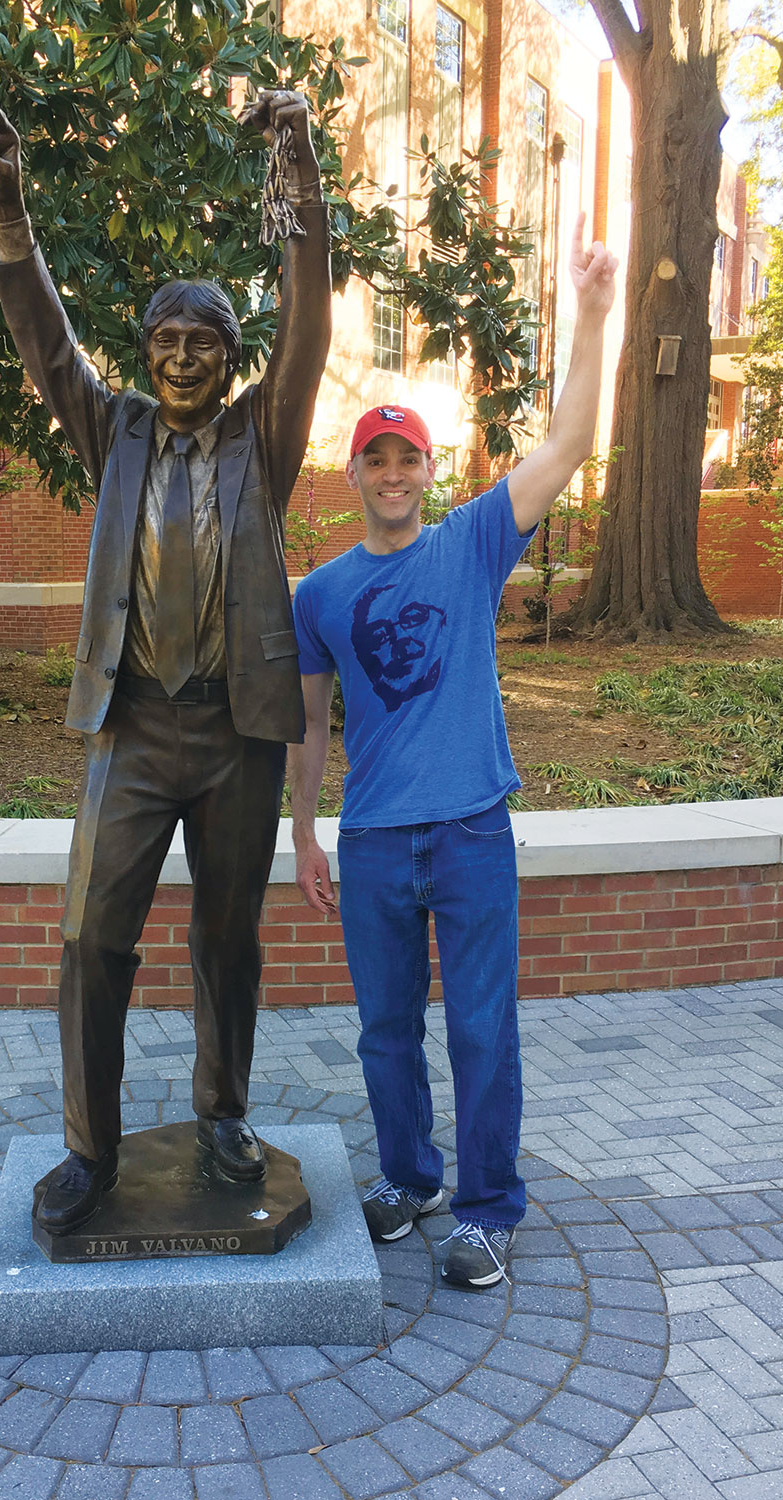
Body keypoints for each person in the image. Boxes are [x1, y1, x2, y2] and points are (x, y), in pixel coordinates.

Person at [0, 85, 330, 1233]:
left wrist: (300, 168)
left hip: (236, 731)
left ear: (229, 356)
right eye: (165, 340)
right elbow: (44, 338)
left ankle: (222, 1116)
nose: (180, 357)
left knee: (226, 935)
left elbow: (307, 323)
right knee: (88, 934)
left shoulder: (263, 436)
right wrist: (9, 213)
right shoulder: (111, 426)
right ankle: (91, 1147)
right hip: (133, 729)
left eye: (203, 341)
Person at [289, 216, 617, 1288]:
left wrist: (594, 312)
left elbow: (567, 444)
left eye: (408, 457)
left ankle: (485, 1208)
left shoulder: (473, 539)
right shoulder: (322, 592)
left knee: (480, 1029)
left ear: (429, 470)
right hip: (376, 839)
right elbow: (309, 720)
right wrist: (304, 833)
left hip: (472, 824)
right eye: (374, 459)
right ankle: (409, 1176)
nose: (392, 473)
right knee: (385, 1032)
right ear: (354, 475)